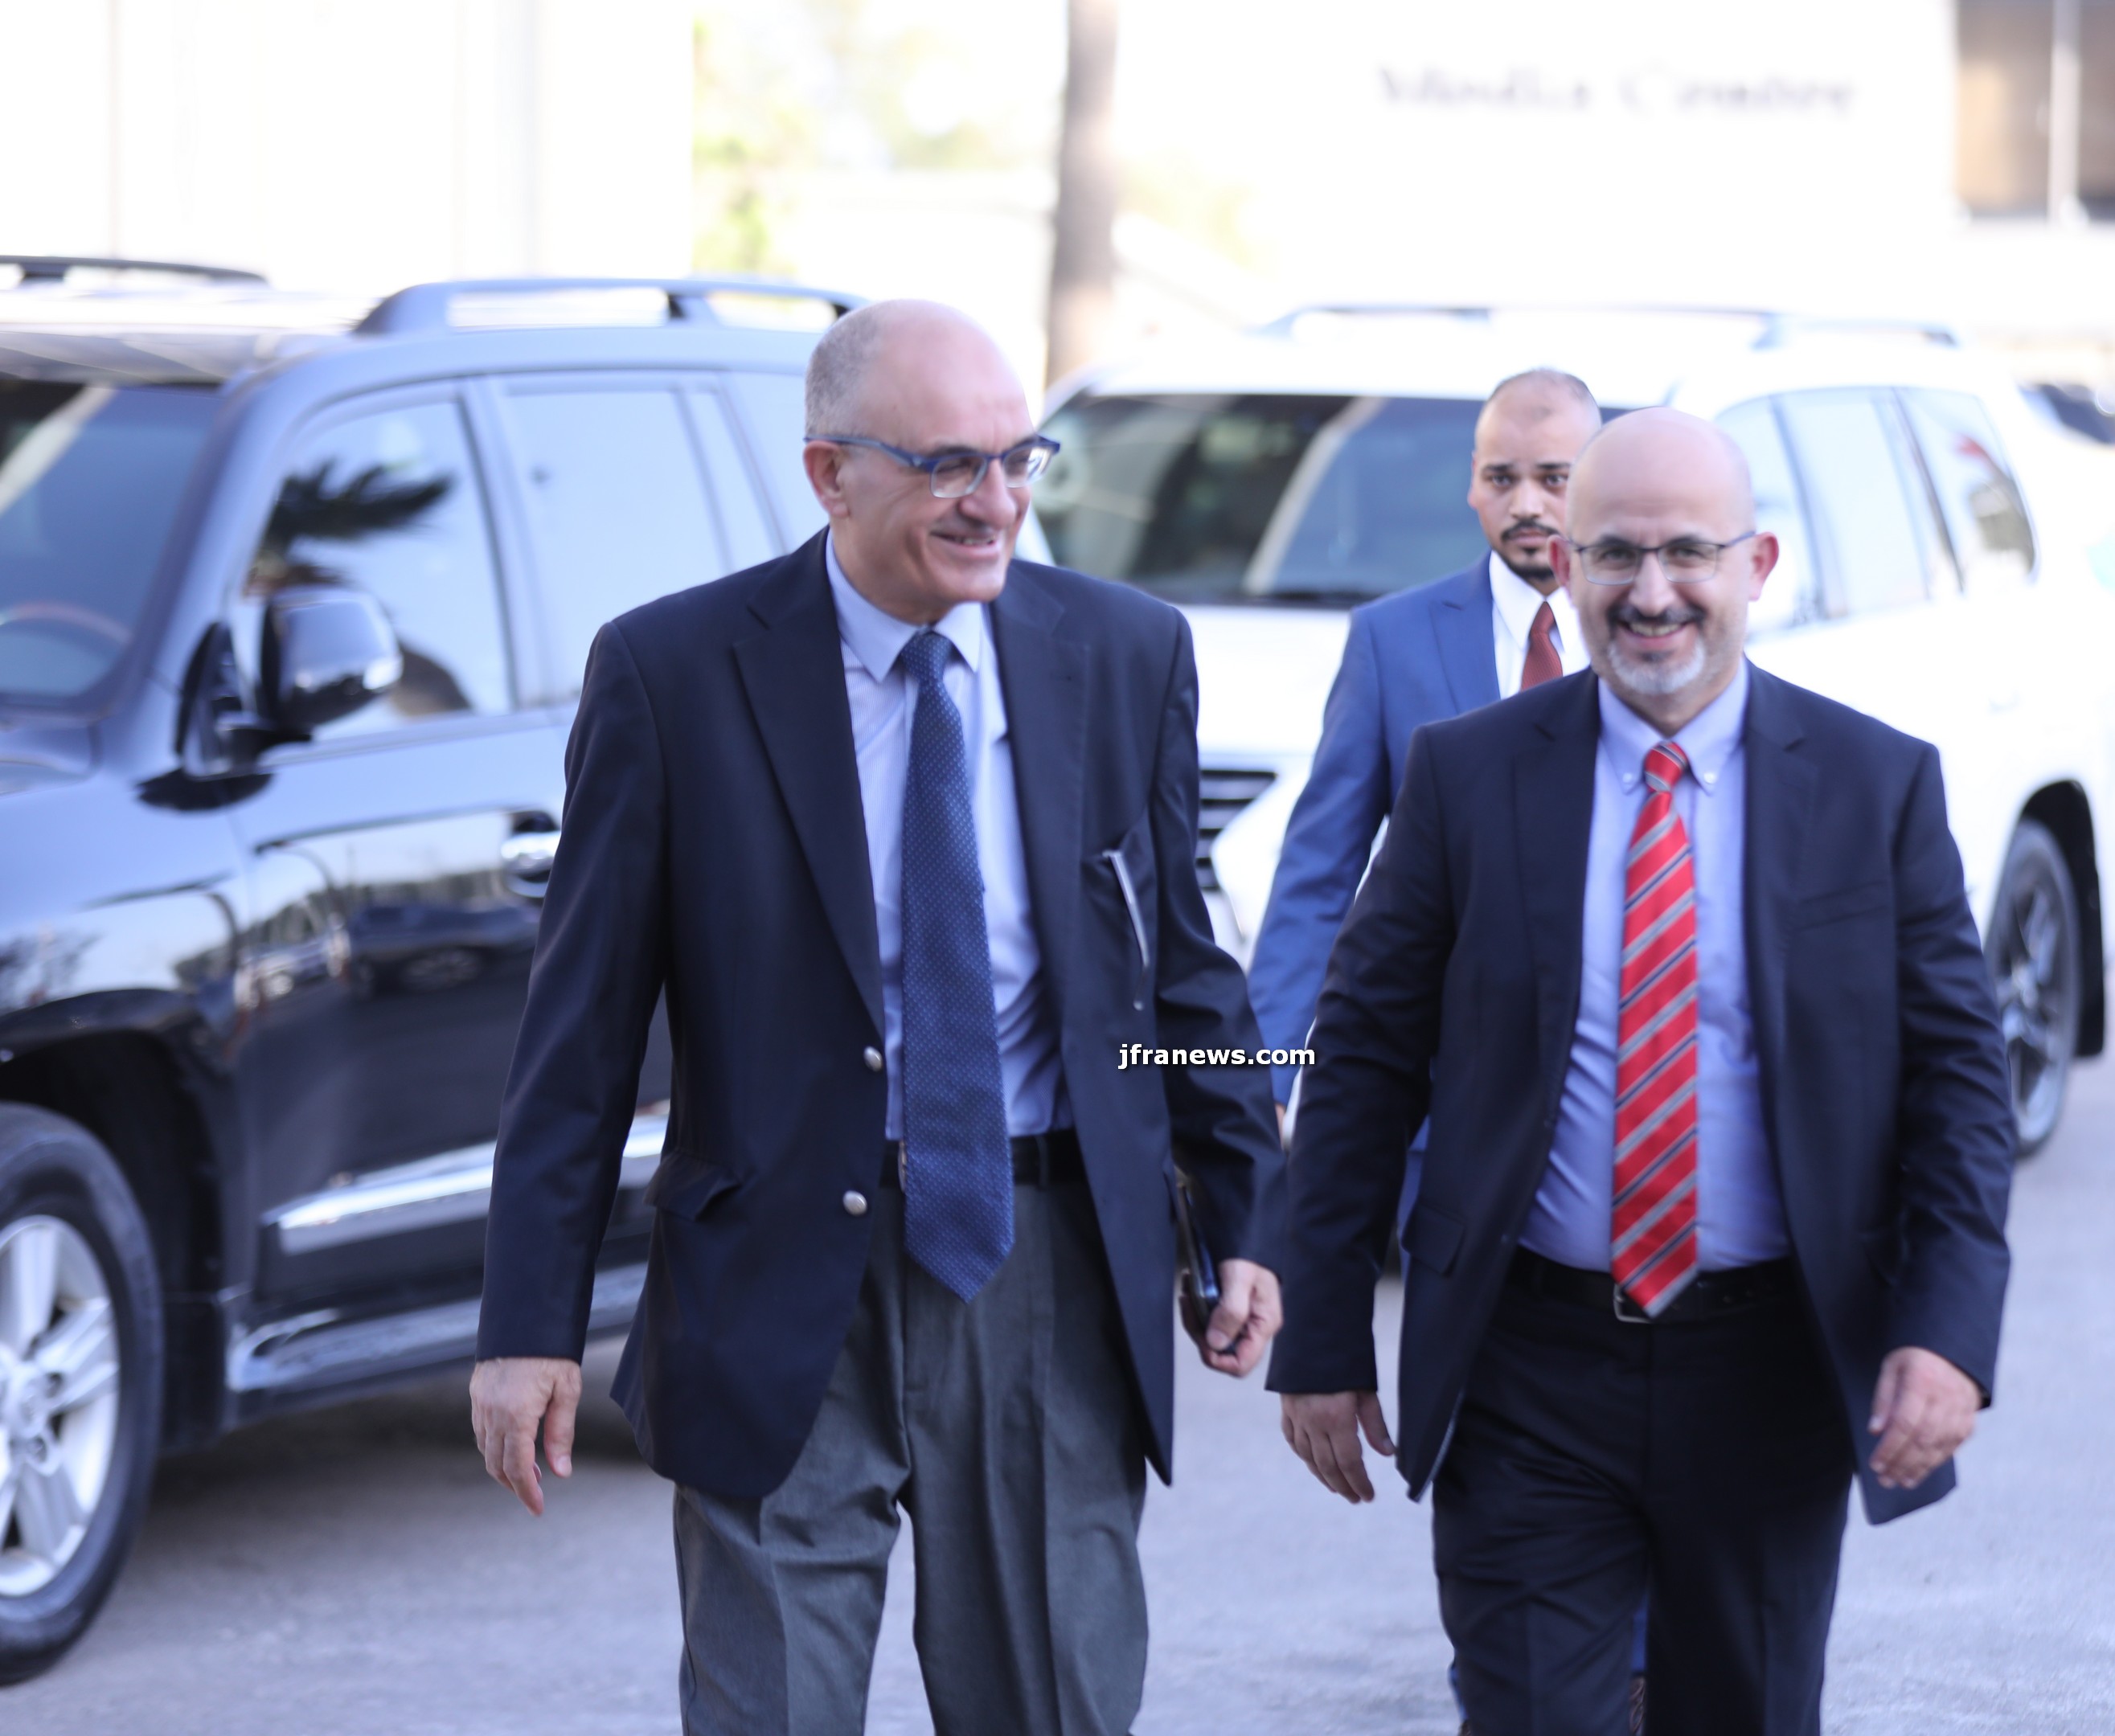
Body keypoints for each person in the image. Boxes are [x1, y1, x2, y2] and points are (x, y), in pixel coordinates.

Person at [469, 301, 1285, 1736]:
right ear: (830, 474)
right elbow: (580, 1032)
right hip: (777, 1278)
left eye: (1018, 458)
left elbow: (1182, 972)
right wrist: (527, 1323)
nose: (996, 500)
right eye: (948, 463)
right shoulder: (674, 672)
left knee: (1057, 1707)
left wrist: (1247, 1209)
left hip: (1045, 1269)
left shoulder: (1125, 651)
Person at [1269, 408, 2015, 1736]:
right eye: (1615, 554)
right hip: (1529, 1368)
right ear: (1566, 567)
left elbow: (1959, 1080)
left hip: (1771, 1371)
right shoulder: (1469, 778)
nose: (1652, 591)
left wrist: (1946, 1328)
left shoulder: (1874, 787)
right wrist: (1320, 1329)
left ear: (1757, 566)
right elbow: (1367, 1056)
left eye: (1688, 554)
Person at [1246, 368, 1605, 1119]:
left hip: (1610, 1080)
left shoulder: (1645, 635)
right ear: (1473, 482)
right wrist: (1262, 1080)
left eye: (1555, 479)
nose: (1526, 504)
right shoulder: (1391, 641)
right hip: (1437, 1094)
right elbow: (1320, 871)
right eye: (1502, 478)